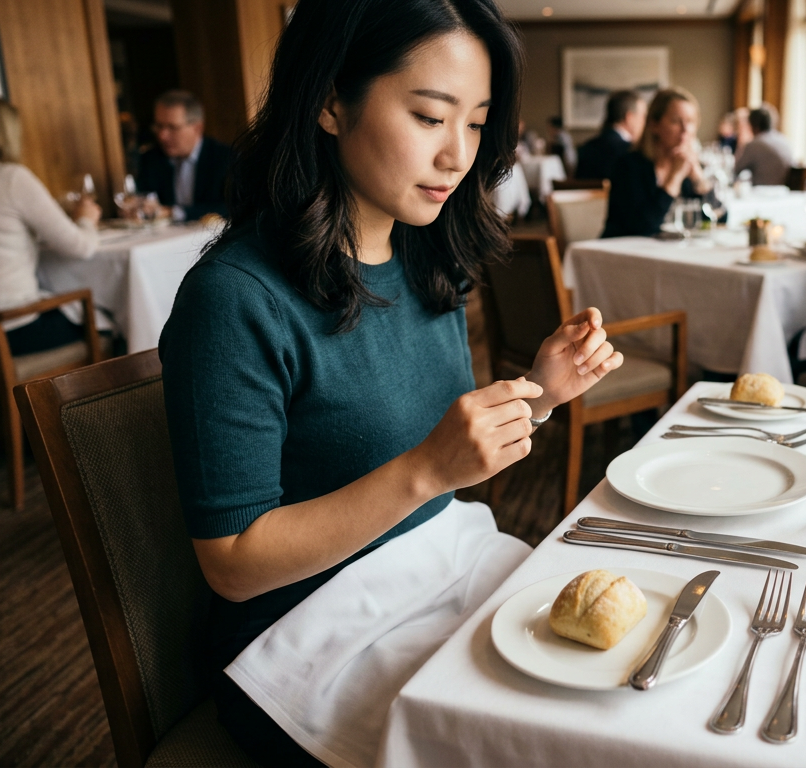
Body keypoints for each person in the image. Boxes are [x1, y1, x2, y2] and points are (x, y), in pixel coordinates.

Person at [157, 0, 623, 763]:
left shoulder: (423, 257)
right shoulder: (236, 298)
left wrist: (539, 393)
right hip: (307, 640)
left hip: (442, 564)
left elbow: (429, 449)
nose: (457, 156)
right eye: (430, 116)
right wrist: (426, 472)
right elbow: (233, 565)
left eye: (475, 123)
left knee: (621, 696)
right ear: (332, 101)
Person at [0, 90, 102, 355]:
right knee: (111, 320)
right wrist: (86, 219)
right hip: (9, 330)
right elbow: (82, 248)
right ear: (4, 132)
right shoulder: (10, 178)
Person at [601, 86, 714, 238]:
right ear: (654, 125)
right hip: (624, 254)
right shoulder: (629, 166)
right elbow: (643, 225)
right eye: (676, 121)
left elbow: (718, 218)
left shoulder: (688, 166)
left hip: (672, 253)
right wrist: (674, 178)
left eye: (690, 121)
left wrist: (699, 179)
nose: (685, 129)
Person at [135, 90, 233, 222]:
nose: (162, 136)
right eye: (159, 126)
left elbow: (233, 207)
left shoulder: (225, 157)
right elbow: (143, 198)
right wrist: (137, 208)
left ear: (197, 128)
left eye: (172, 127)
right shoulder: (151, 158)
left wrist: (175, 212)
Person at [574, 89, 644, 181]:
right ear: (629, 117)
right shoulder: (631, 151)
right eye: (643, 116)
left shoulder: (586, 148)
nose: (644, 122)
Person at [733, 103, 792, 186]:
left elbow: (736, 169)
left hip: (761, 193)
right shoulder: (784, 140)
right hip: (784, 192)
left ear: (753, 125)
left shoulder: (754, 145)